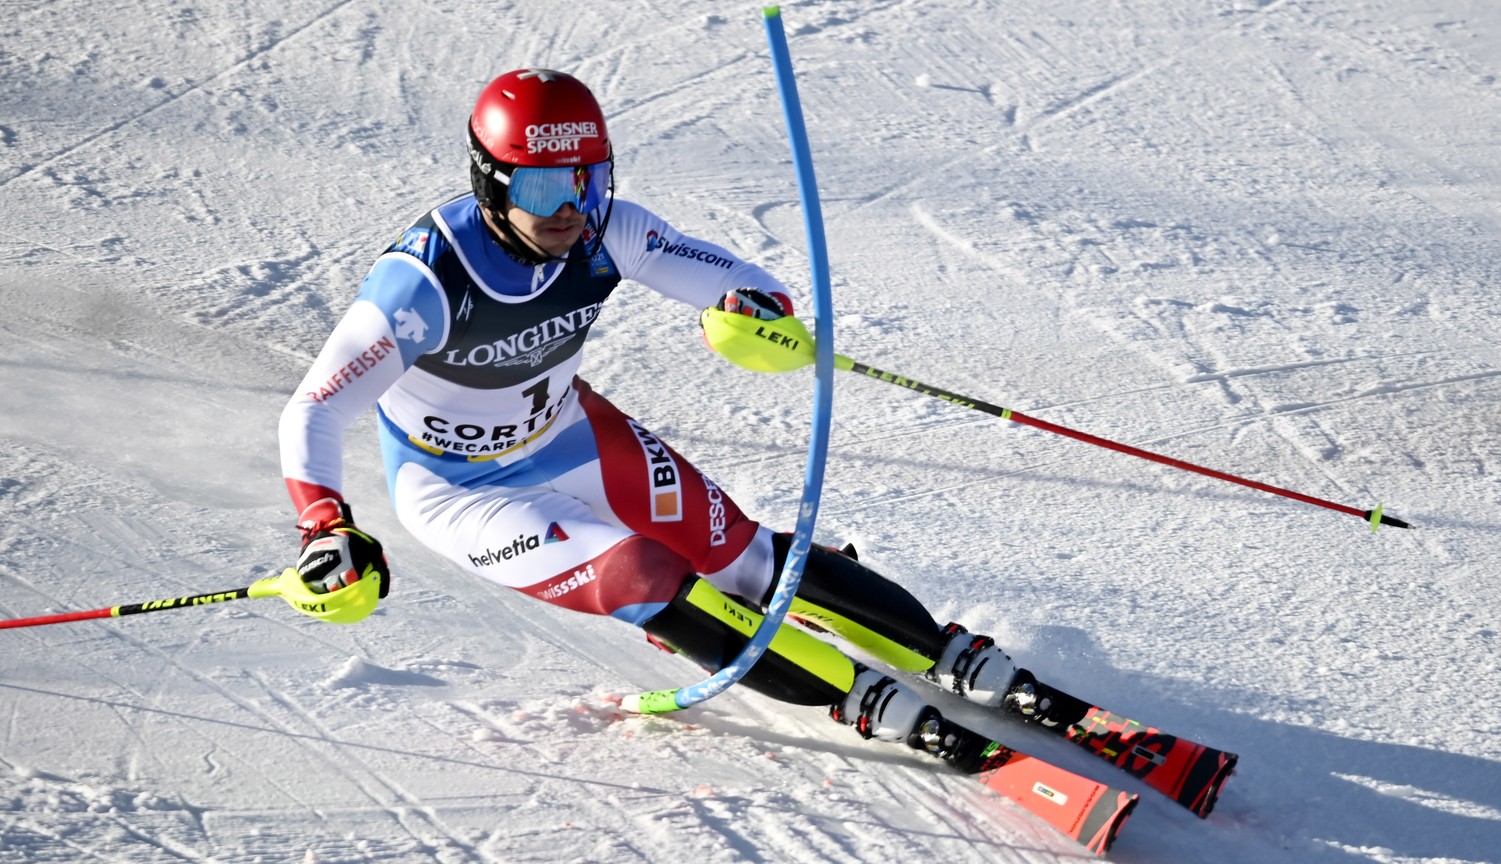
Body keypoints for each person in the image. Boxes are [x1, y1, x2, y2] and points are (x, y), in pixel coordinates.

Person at [277, 68, 1045, 767]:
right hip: (461, 492)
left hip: (570, 434)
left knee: (742, 557)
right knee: (644, 574)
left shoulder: (605, 229)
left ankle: (951, 655)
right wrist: (325, 526)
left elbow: (727, 276)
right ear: (491, 183)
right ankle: (867, 701)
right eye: (545, 191)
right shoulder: (426, 284)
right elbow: (314, 408)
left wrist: (757, 309)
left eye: (589, 180)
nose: (572, 210)